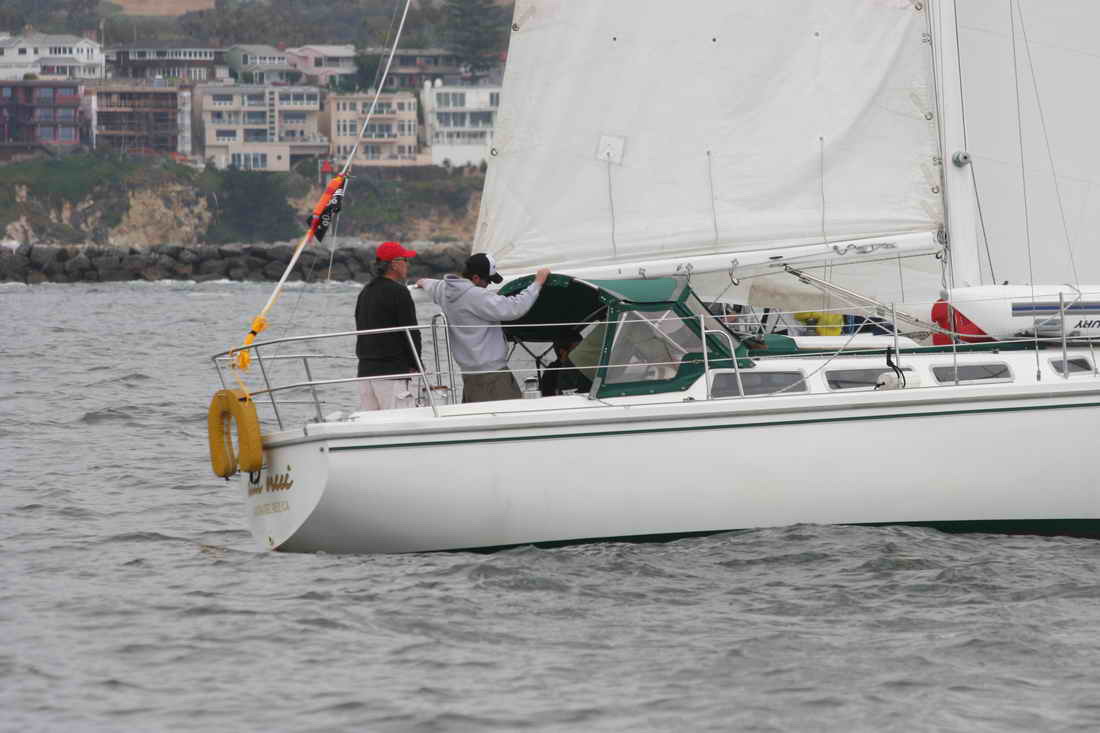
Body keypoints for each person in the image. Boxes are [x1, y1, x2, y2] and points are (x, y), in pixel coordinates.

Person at [417, 253, 549, 403]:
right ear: (475, 278)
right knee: (511, 414)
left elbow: (430, 284)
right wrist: (538, 282)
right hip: (493, 376)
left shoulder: (444, 290)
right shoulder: (477, 296)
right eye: (488, 281)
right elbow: (514, 307)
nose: (488, 286)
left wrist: (423, 282)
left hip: (469, 376)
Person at [355, 241, 422, 410]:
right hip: (392, 373)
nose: (408, 264)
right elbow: (411, 333)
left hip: (365, 373)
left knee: (372, 423)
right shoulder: (399, 292)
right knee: (402, 421)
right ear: (394, 264)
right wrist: (417, 365)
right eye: (405, 260)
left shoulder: (365, 292)